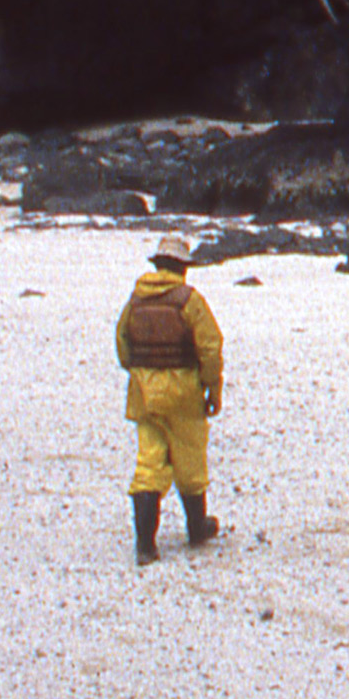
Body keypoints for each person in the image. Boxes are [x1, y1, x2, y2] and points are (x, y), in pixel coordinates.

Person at [116, 234, 224, 565]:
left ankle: (145, 545)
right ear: (182, 268)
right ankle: (196, 527)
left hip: (144, 394)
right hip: (183, 392)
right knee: (190, 459)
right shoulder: (188, 300)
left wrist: (141, 374)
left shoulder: (135, 300)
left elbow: (123, 345)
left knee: (149, 462)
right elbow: (210, 347)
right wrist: (212, 388)